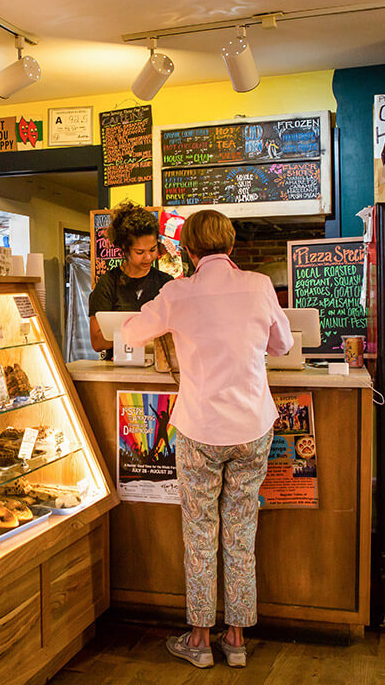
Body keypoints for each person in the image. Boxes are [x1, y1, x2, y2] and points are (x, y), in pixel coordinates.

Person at [121, 209, 292, 669]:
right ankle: (235, 639)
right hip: (252, 426)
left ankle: (199, 640)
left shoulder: (177, 291)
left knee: (199, 533)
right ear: (231, 247)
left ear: (187, 250)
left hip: (199, 428)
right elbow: (283, 346)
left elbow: (132, 331)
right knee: (240, 531)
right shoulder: (258, 286)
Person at [88, 200, 173, 355]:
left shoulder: (166, 283)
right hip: (119, 370)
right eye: (140, 252)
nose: (148, 257)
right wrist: (147, 333)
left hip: (158, 371)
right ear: (124, 249)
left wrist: (126, 334)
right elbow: (97, 341)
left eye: (153, 249)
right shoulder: (108, 283)